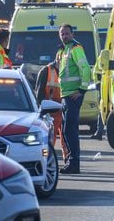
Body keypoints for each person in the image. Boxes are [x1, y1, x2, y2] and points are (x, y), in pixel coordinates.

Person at [57, 24, 92, 174]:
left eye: (66, 34)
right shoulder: (63, 50)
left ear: (72, 34)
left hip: (73, 95)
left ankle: (74, 164)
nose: (64, 36)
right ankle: (71, 162)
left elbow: (85, 69)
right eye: (62, 34)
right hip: (66, 95)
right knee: (66, 131)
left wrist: (82, 90)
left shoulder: (75, 48)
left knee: (69, 130)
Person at [35, 59, 67, 162]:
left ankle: (68, 161)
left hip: (64, 110)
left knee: (66, 139)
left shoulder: (67, 71)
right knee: (48, 140)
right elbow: (39, 94)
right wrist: (43, 109)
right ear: (58, 58)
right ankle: (46, 160)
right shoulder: (46, 71)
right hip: (50, 112)